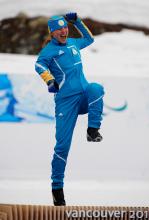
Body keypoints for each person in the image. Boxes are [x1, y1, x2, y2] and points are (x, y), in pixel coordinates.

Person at [35, 12, 105, 206]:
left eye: (65, 27)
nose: (63, 31)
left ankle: (93, 130)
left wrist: (77, 22)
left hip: (83, 97)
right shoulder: (48, 51)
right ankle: (57, 190)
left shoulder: (74, 43)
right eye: (59, 29)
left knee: (96, 88)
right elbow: (39, 65)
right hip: (66, 103)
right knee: (62, 146)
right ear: (52, 33)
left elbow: (89, 39)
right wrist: (50, 81)